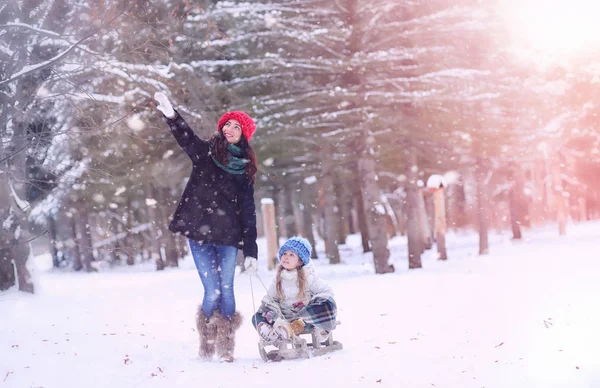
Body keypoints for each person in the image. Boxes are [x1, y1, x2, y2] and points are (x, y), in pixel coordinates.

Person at [154, 92, 259, 363]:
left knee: (227, 287)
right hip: (199, 232)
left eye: (237, 126)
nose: (231, 129)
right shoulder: (206, 154)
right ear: (221, 129)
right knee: (211, 290)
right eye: (228, 124)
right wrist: (171, 115)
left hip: (227, 236)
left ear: (244, 134)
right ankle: (207, 337)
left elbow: (248, 212)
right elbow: (185, 137)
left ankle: (225, 346)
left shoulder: (245, 171)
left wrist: (251, 251)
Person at [252, 237, 337, 345]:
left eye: (291, 255)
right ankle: (271, 333)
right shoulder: (279, 280)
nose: (286, 257)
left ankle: (289, 329)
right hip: (284, 318)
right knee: (257, 316)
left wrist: (313, 302)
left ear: (300, 261)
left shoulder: (309, 277)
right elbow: (270, 298)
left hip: (304, 319)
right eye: (284, 253)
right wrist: (272, 310)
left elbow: (327, 292)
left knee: (327, 303)